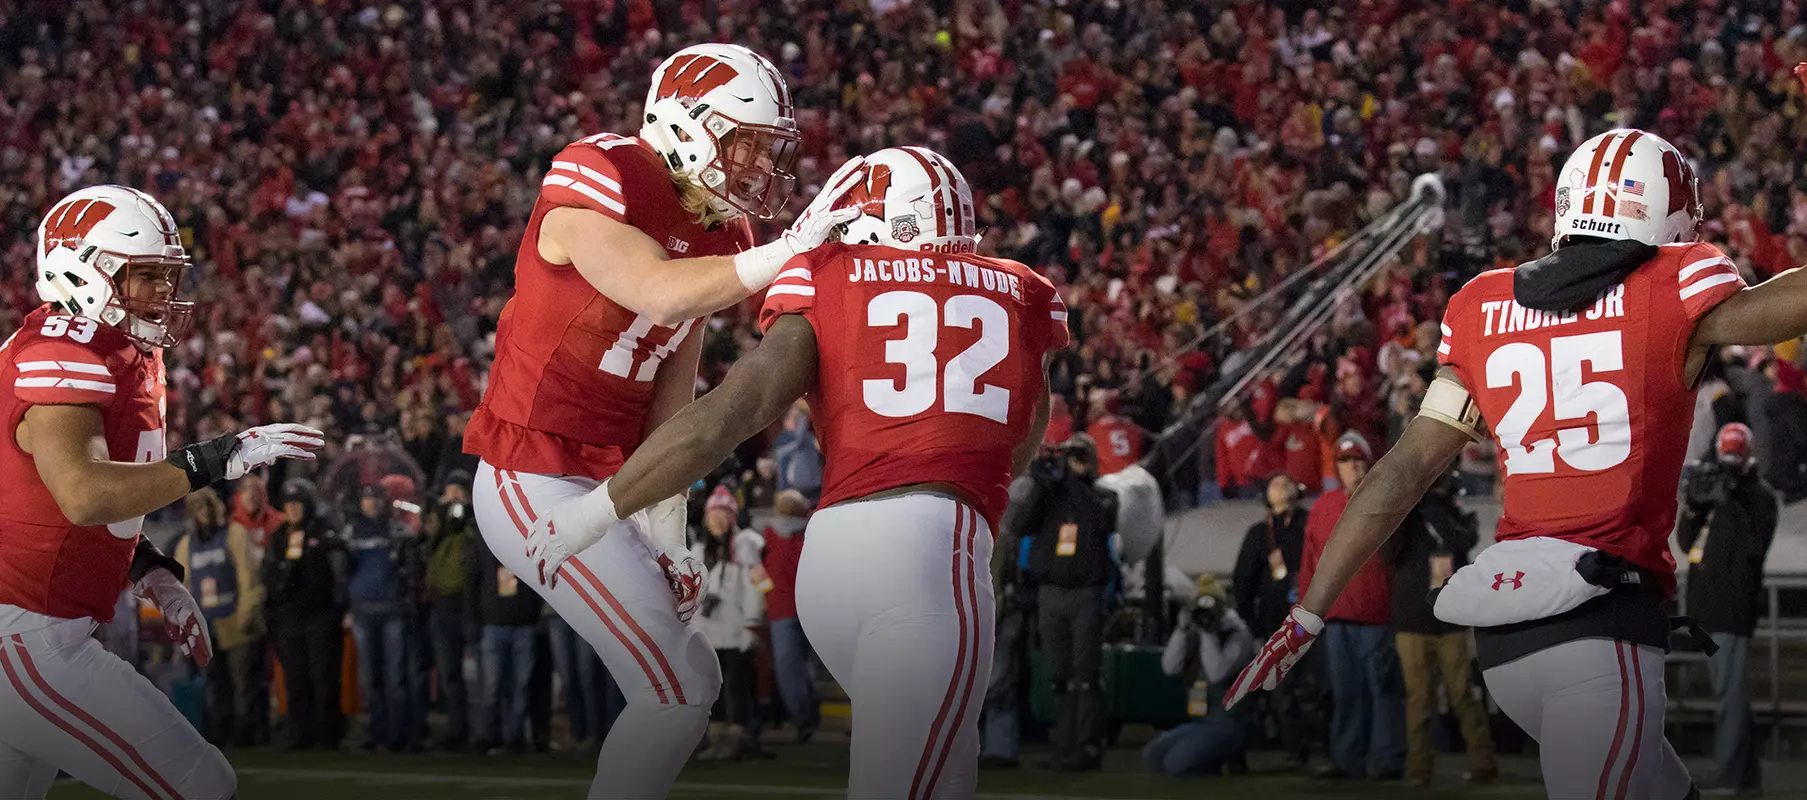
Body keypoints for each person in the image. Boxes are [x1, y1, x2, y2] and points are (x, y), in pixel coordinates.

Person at [1227, 123, 1807, 799]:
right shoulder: (1673, 285)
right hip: (1597, 623)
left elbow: (1400, 473)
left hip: (1506, 642)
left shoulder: (1481, 303)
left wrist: (1306, 614)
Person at [524, 146, 1066, 799]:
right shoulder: (1026, 292)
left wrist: (592, 511)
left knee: (942, 772)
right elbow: (1019, 448)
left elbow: (727, 414)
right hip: (931, 549)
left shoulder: (829, 273)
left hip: (830, 560)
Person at [462, 43, 853, 798]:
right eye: (743, 143)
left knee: (692, 675)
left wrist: (664, 525)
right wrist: (795, 248)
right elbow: (657, 292)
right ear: (686, 124)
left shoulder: (723, 231)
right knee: (674, 689)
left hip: (609, 478)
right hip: (531, 474)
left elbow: (673, 388)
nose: (755, 166)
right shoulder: (601, 171)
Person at [0, 184, 322, 799]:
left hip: (41, 625)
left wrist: (149, 569)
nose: (164, 292)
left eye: (167, 274)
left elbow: (62, 502)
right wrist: (210, 462)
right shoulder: (61, 351)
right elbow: (82, 495)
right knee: (201, 785)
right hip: (27, 633)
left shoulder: (118, 350)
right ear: (80, 269)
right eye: (145, 274)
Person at [1677, 423, 1778, 795]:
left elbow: (1753, 547)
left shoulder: (1759, 497)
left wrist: (1729, 502)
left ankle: (1730, 776)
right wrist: (1695, 504)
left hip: (1733, 608)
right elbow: (1687, 543)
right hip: (1708, 607)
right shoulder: (1719, 489)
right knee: (1731, 695)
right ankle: (1746, 775)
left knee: (1729, 697)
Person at [1297, 431, 1403, 780]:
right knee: (1346, 693)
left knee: (1381, 690)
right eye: (1344, 461)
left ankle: (1386, 758)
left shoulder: (1383, 499)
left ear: (1368, 462)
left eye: (1357, 459)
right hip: (1338, 615)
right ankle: (1348, 758)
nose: (1352, 466)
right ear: (1337, 468)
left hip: (1376, 612)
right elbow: (1310, 561)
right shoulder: (1323, 506)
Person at [1379, 471, 1496, 788]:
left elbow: (1463, 540)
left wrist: (1437, 506)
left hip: (1447, 619)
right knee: (1420, 700)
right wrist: (1407, 505)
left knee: (1460, 695)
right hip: (1414, 619)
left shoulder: (1448, 512)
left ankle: (1482, 762)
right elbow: (1387, 553)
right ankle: (1419, 768)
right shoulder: (1406, 516)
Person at [1020, 434, 1119, 772]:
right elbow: (1020, 525)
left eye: (1079, 456)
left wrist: (1071, 479)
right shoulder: (1050, 495)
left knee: (1086, 674)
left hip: (1085, 594)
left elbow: (1099, 517)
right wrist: (1040, 487)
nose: (1072, 462)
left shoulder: (1103, 496)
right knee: (1059, 674)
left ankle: (1088, 744)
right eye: (1069, 456)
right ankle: (1064, 743)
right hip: (1051, 592)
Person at [1230, 473, 1318, 766]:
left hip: (1316, 621)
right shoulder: (1259, 534)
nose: (1281, 484)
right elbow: (1243, 583)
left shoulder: (1312, 525)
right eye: (1275, 482)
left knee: (1317, 687)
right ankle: (1296, 750)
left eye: (1287, 481)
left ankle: (1328, 748)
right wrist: (1254, 626)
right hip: (1276, 626)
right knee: (1286, 692)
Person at [173, 487, 266, 747]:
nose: (204, 513)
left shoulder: (234, 534)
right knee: (216, 682)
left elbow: (248, 577)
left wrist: (247, 613)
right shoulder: (186, 544)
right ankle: (221, 729)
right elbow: (183, 587)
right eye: (198, 508)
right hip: (206, 622)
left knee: (243, 681)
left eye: (207, 507)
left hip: (234, 619)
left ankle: (247, 731)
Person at [1143, 577, 1256, 778]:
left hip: (1230, 723)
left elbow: (1216, 673)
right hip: (1202, 721)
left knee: (1175, 765)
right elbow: (1169, 667)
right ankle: (1218, 759)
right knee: (1153, 756)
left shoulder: (1239, 635)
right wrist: (1181, 629)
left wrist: (1208, 633)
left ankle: (1227, 755)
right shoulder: (1193, 630)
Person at [263, 480, 347, 751]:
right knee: (296, 677)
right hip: (289, 616)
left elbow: (340, 570)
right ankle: (301, 732)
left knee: (323, 676)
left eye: (298, 504)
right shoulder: (278, 536)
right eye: (289, 505)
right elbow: (269, 575)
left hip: (320, 616)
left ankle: (328, 734)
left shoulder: (324, 532)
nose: (293, 510)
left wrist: (338, 607)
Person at [344, 484, 419, 753]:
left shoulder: (396, 529)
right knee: (371, 678)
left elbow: (410, 568)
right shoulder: (351, 530)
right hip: (364, 610)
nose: (371, 503)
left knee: (395, 676)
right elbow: (344, 570)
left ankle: (398, 734)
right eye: (367, 498)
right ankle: (379, 733)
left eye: (375, 498)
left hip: (391, 609)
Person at [693, 486, 766, 761]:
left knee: (739, 684)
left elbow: (756, 585)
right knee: (714, 686)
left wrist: (752, 622)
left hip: (736, 627)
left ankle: (739, 737)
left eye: (722, 515)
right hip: (708, 629)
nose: (716, 521)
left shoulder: (744, 544)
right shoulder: (701, 548)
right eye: (712, 515)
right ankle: (715, 737)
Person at [466, 512, 542, 755]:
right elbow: (472, 580)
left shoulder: (529, 542)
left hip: (521, 623)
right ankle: (489, 735)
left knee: (517, 685)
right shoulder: (485, 542)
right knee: (493, 686)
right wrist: (472, 619)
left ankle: (512, 737)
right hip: (495, 623)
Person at [757, 489, 818, 743]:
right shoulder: (814, 532)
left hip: (781, 608)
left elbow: (758, 572)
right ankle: (809, 715)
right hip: (813, 606)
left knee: (788, 668)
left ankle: (803, 719)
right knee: (806, 665)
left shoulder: (768, 535)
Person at [421, 472, 475, 751]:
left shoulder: (476, 522)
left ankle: (487, 730)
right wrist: (439, 517)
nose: (453, 497)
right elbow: (425, 546)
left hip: (470, 606)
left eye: (458, 492)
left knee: (481, 675)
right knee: (449, 674)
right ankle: (458, 729)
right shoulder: (437, 523)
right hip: (441, 606)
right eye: (449, 491)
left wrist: (466, 513)